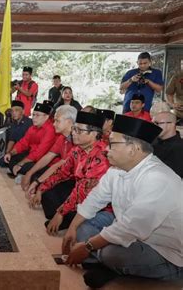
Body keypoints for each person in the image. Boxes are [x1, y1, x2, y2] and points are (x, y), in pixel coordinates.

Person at [63, 115, 182, 288]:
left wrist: (88, 246)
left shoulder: (158, 178)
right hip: (132, 236)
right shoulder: (116, 170)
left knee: (112, 253)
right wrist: (72, 228)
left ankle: (108, 264)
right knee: (83, 229)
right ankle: (109, 265)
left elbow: (131, 226)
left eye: (112, 144)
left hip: (165, 250)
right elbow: (96, 198)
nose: (105, 149)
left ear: (133, 149)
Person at [30, 111, 110, 235]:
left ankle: (70, 219)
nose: (73, 133)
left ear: (94, 134)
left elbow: (85, 190)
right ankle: (66, 216)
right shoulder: (77, 150)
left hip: (98, 204)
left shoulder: (102, 156)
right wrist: (41, 188)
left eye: (78, 130)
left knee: (66, 221)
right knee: (47, 193)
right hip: (78, 189)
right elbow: (61, 172)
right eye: (74, 128)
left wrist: (60, 212)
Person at [22, 105, 77, 192]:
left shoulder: (78, 140)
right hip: (60, 172)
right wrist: (29, 173)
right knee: (29, 169)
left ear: (69, 122)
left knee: (48, 194)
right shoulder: (62, 137)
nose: (54, 124)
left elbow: (59, 165)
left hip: (72, 178)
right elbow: (49, 155)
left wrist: (37, 182)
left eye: (57, 121)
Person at [3, 103, 56, 178]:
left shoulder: (50, 130)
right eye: (33, 115)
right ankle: (20, 173)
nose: (34, 118)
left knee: (26, 166)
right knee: (10, 159)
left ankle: (22, 173)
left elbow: (39, 153)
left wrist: (20, 164)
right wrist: (10, 153)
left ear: (46, 117)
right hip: (30, 155)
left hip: (41, 160)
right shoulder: (33, 128)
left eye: (37, 115)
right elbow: (23, 142)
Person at [0, 100, 32, 168]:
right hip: (16, 150)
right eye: (12, 111)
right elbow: (12, 140)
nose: (13, 113)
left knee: (12, 163)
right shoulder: (13, 124)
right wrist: (7, 153)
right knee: (1, 161)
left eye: (16, 110)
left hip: (27, 151)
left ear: (23, 111)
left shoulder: (29, 123)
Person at [152, 111, 183, 177]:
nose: (153, 127)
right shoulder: (153, 139)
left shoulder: (179, 148)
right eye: (153, 123)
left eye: (157, 123)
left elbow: (172, 177)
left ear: (172, 124)